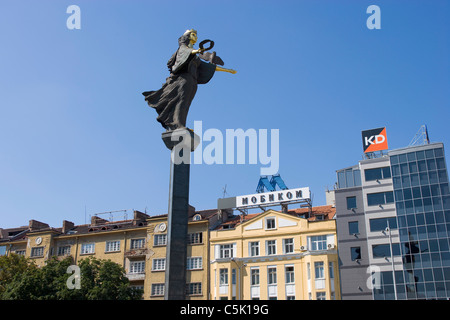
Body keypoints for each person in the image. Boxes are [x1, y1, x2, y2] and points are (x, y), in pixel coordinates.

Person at [142, 29, 236, 131]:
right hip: (183, 79)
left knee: (186, 103)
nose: (195, 36)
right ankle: (178, 125)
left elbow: (208, 67)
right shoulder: (183, 49)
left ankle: (180, 124)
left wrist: (228, 70)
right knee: (182, 101)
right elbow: (187, 52)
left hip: (192, 81)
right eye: (193, 34)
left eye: (196, 35)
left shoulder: (194, 56)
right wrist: (197, 51)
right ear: (187, 37)